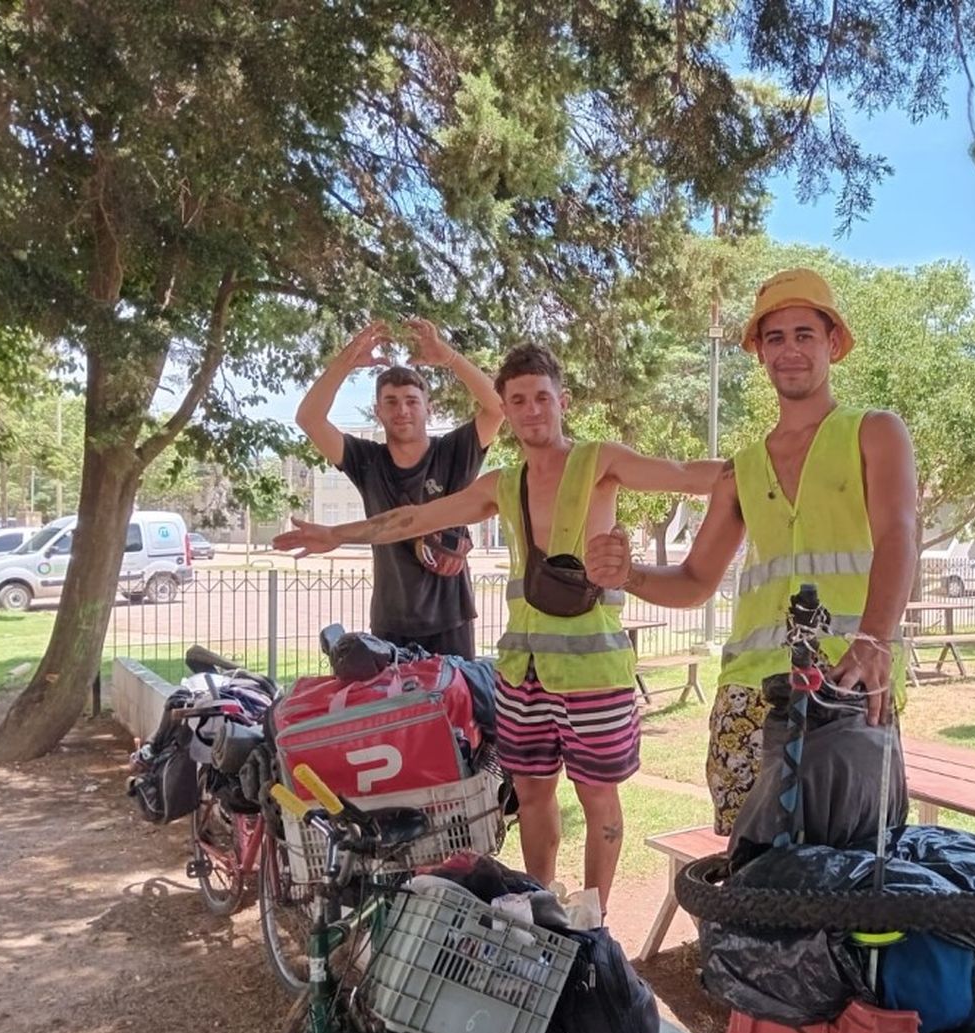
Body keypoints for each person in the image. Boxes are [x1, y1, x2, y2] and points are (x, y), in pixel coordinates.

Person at [275, 341, 722, 909]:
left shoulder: (599, 460)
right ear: (506, 411)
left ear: (561, 401)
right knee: (533, 798)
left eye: (541, 397)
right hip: (523, 673)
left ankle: (594, 921)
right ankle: (542, 910)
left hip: (594, 672)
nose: (532, 409)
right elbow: (416, 518)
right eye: (518, 400)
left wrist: (760, 469)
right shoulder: (502, 484)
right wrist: (336, 535)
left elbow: (686, 475)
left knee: (598, 800)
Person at [585, 267, 919, 835]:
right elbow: (695, 580)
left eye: (804, 335)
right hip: (749, 695)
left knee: (850, 870)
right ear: (759, 354)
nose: (789, 351)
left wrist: (873, 639)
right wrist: (630, 574)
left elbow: (898, 533)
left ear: (833, 344)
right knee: (750, 874)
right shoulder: (741, 469)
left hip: (846, 681)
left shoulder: (875, 432)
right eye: (774, 338)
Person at [295, 318, 505, 660]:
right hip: (391, 623)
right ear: (378, 412)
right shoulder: (366, 460)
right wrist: (345, 361)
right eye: (391, 402)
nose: (402, 410)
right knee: (394, 714)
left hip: (450, 619)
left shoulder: (454, 452)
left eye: (411, 400)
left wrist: (449, 357)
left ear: (429, 408)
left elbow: (498, 407)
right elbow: (309, 418)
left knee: (455, 711)